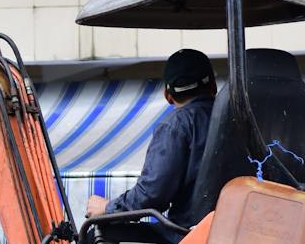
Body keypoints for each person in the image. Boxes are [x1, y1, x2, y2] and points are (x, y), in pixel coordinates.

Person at [86, 48, 217, 221]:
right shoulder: (240, 116)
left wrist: (107, 208)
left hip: (190, 235)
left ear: (168, 96)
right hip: (239, 229)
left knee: (100, 236)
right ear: (213, 86)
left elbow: (152, 195)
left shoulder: (175, 126)